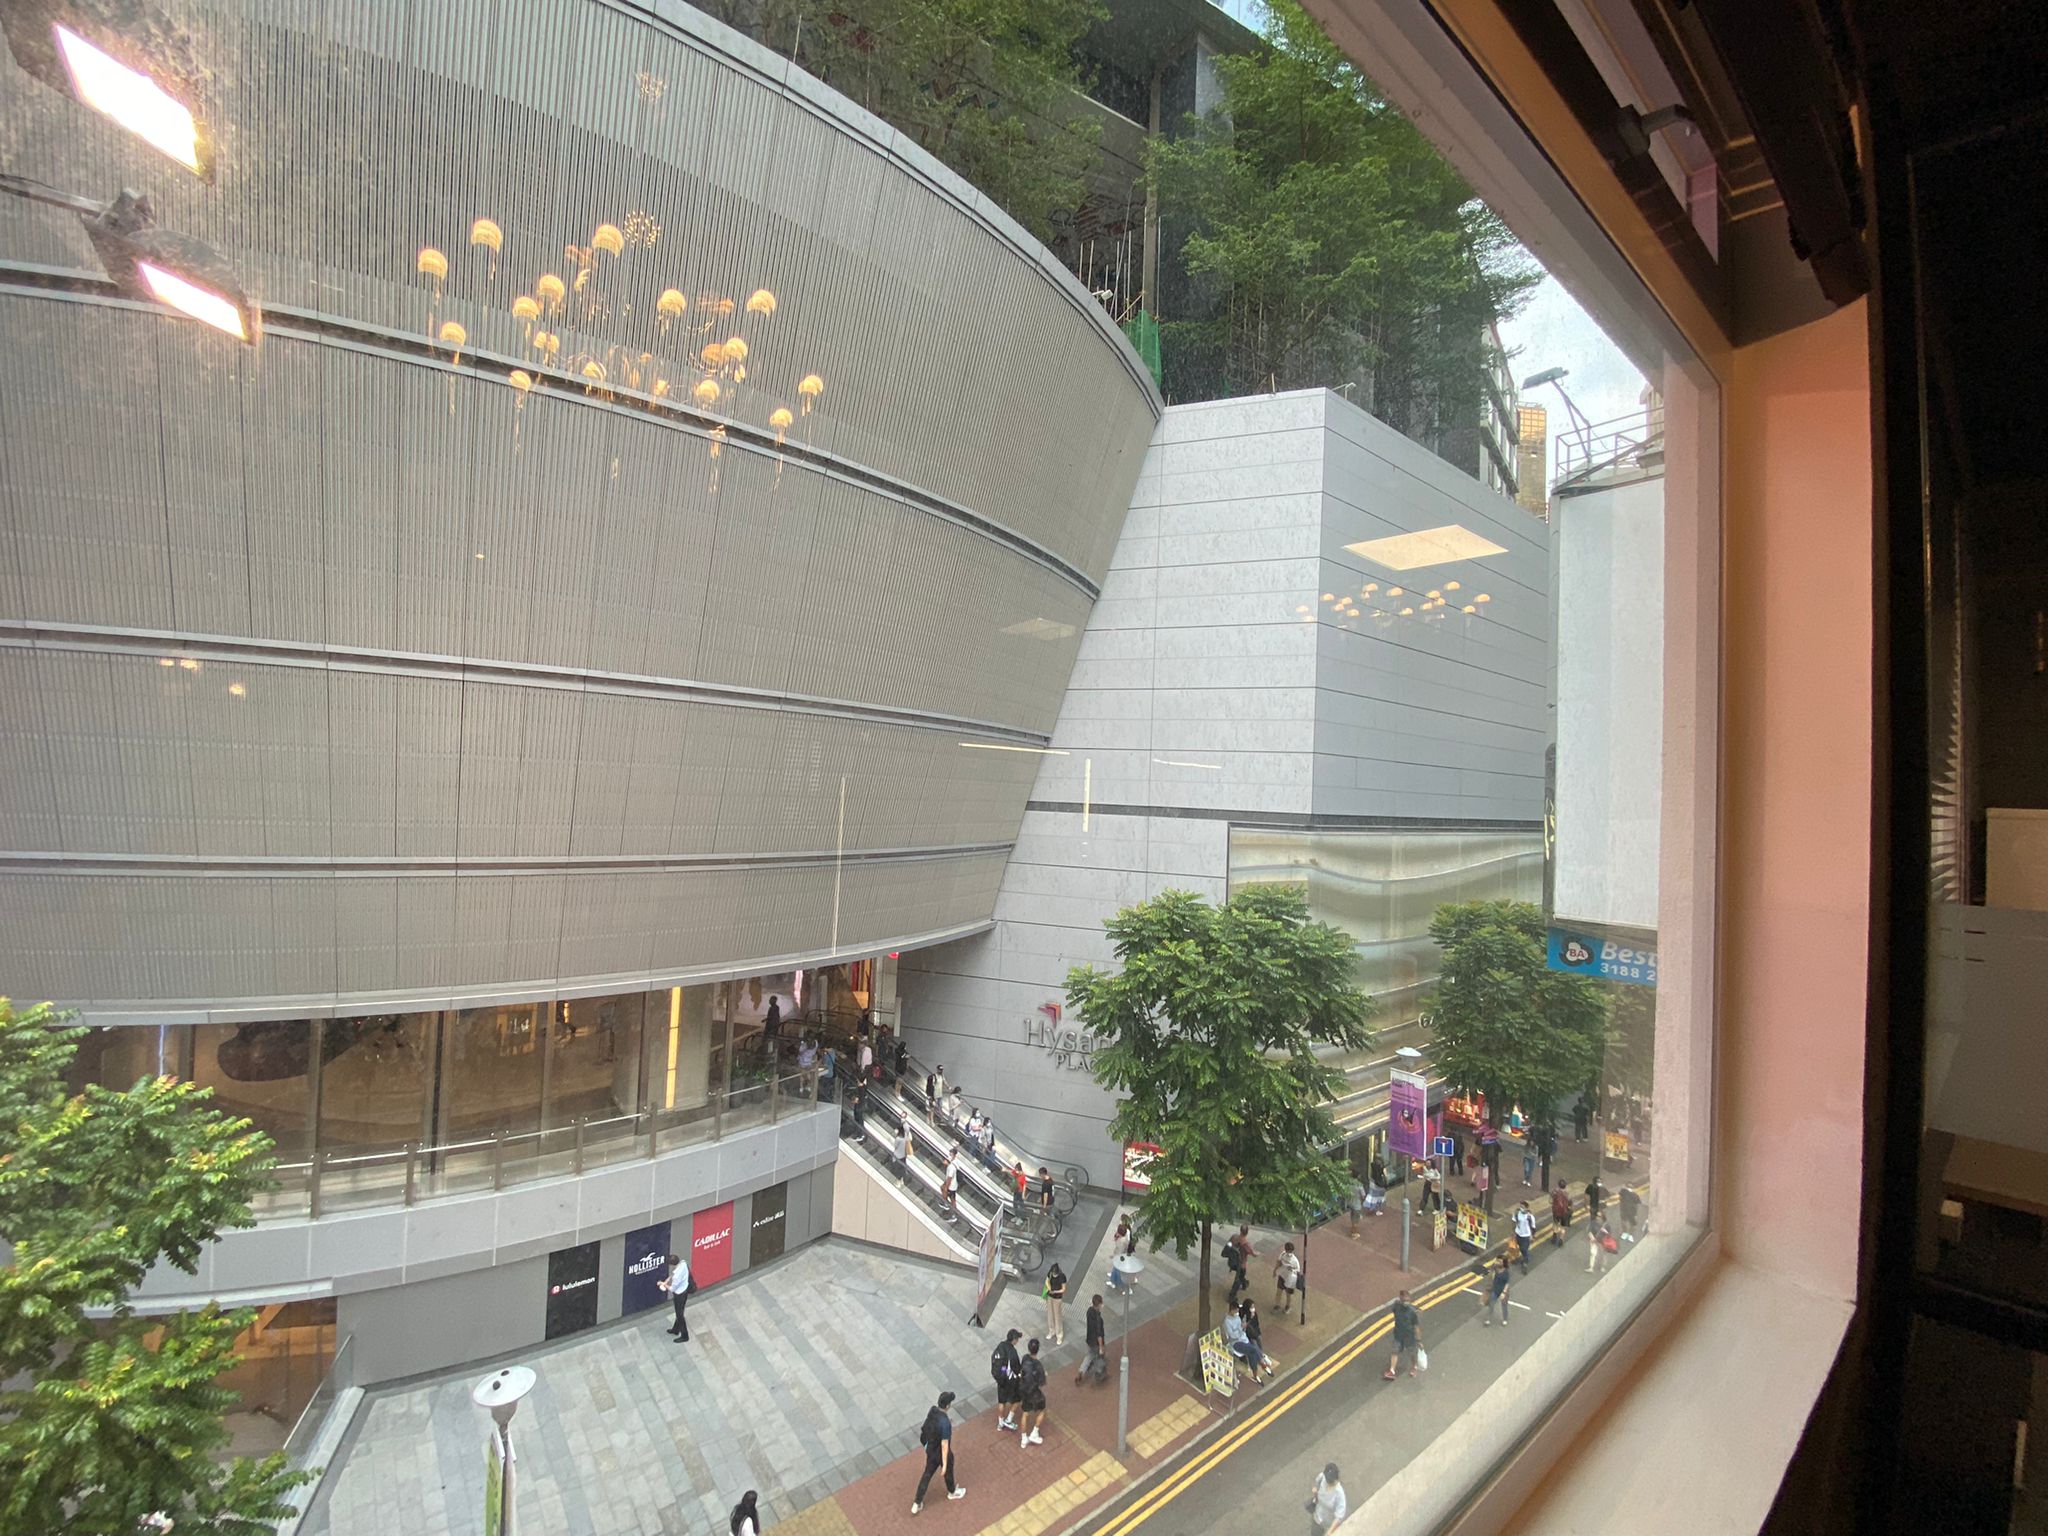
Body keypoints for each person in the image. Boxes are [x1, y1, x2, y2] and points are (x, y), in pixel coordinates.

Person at [911, 1390, 966, 1514]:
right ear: (947, 1406)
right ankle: (952, 1492)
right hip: (940, 1452)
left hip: (931, 1450)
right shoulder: (945, 1424)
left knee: (927, 1474)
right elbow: (944, 1445)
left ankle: (917, 1502)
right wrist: (945, 1465)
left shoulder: (933, 1411)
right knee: (948, 1472)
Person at [1224, 1303, 1273, 1380]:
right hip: (1236, 1343)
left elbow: (1241, 1328)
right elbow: (1232, 1335)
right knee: (1254, 1349)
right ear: (1232, 1310)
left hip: (1243, 1339)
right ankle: (1263, 1365)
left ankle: (1255, 1374)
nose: (1237, 1313)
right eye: (1236, 1311)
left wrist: (1243, 1328)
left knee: (1252, 1353)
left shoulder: (1237, 1318)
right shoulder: (1227, 1322)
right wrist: (1241, 1329)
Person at [1016, 1338, 1048, 1447]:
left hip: (1024, 1391)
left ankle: (1024, 1439)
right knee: (1042, 1411)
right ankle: (1034, 1432)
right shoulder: (1038, 1365)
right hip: (1034, 1392)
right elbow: (1042, 1382)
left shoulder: (1025, 1358)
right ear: (1038, 1350)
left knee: (1025, 1414)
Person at [1384, 1288, 1422, 1379]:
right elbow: (1394, 1308)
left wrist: (1419, 1340)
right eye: (1404, 1300)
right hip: (1398, 1335)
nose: (1406, 1302)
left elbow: (1416, 1327)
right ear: (1400, 1299)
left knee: (1412, 1353)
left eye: (1408, 1300)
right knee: (1394, 1351)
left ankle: (1414, 1366)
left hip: (1409, 1336)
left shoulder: (1412, 1312)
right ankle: (1392, 1371)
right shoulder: (1396, 1307)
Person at [991, 1329, 1023, 1431]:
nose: (1017, 1341)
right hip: (1010, 1381)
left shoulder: (1001, 1346)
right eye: (1017, 1339)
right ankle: (1009, 1419)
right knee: (1017, 1400)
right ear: (1014, 1340)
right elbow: (1017, 1368)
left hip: (1001, 1380)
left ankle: (1000, 1424)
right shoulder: (1012, 1352)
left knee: (1002, 1402)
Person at [1076, 1294, 1109, 1386]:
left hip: (1089, 1339)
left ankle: (1081, 1370)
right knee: (1099, 1358)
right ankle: (1099, 1374)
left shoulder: (1089, 1311)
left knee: (1089, 1356)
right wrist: (1101, 1347)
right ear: (1099, 1305)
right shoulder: (1099, 1319)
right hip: (1096, 1343)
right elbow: (1099, 1334)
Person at [659, 1251, 692, 1343]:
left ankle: (685, 1335)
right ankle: (676, 1329)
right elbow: (673, 1274)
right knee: (679, 1312)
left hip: (679, 1295)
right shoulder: (683, 1263)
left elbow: (672, 1289)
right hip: (685, 1290)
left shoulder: (677, 1276)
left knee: (680, 1315)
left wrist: (663, 1284)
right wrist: (667, 1280)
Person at [1308, 1463, 1347, 1536]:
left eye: (1330, 1480)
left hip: (1329, 1526)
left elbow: (1339, 1516)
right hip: (1317, 1518)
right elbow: (1316, 1483)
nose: (1328, 1482)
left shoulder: (1339, 1493)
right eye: (1327, 1479)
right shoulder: (1322, 1477)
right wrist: (1315, 1491)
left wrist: (1330, 1531)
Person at [1242, 1299, 1277, 1379]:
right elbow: (1244, 1328)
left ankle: (1262, 1354)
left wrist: (1257, 1333)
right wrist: (1250, 1319)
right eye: (1251, 1307)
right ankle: (1261, 1359)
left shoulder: (1254, 1314)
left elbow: (1256, 1324)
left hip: (1254, 1331)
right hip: (1248, 1334)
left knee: (1259, 1339)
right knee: (1254, 1343)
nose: (1253, 1308)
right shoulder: (1244, 1316)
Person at [1272, 1240, 1303, 1320]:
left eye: (1290, 1251)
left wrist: (1292, 1269)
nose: (1289, 1253)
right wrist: (1275, 1271)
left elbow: (1298, 1271)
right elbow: (1278, 1262)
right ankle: (1277, 1305)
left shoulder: (1295, 1261)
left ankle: (1288, 1306)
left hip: (1290, 1279)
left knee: (1288, 1294)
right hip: (1282, 1276)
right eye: (1288, 1251)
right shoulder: (1282, 1254)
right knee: (1279, 1291)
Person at [1482, 1253, 1513, 1325]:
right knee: (1491, 1304)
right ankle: (1488, 1319)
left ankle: (1505, 1319)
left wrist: (1504, 1293)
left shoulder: (1506, 1272)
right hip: (1495, 1290)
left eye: (1499, 1261)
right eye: (1497, 1260)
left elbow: (1507, 1283)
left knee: (1504, 1305)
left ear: (1503, 1263)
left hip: (1503, 1290)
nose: (1497, 1262)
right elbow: (1491, 1272)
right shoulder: (1495, 1267)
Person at [1043, 1262, 1067, 1345]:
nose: (1053, 1274)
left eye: (1054, 1273)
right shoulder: (1050, 1273)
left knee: (1057, 1316)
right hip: (1050, 1296)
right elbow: (1046, 1281)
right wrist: (1049, 1289)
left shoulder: (1062, 1276)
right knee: (1050, 1314)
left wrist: (1055, 1291)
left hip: (1057, 1298)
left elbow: (1063, 1289)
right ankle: (1051, 1330)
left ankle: (1059, 1335)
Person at [1512, 1201, 1536, 1271]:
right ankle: (1517, 1258)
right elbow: (1513, 1222)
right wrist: (1513, 1232)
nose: (1521, 1208)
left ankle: (1525, 1263)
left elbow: (1533, 1227)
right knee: (1516, 1248)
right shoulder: (1517, 1213)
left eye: (1523, 1207)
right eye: (1520, 1206)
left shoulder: (1530, 1217)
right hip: (1518, 1234)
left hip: (1526, 1236)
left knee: (1524, 1249)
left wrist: (1532, 1236)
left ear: (1527, 1208)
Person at [1551, 1182, 1572, 1247]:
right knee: (1563, 1227)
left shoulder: (1555, 1192)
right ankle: (1561, 1240)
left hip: (1556, 1212)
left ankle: (1554, 1235)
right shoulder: (1567, 1194)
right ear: (1565, 1186)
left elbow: (1550, 1201)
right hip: (1564, 1213)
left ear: (1558, 1185)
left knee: (1555, 1223)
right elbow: (1570, 1204)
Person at [939, 1157, 959, 1224]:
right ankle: (946, 1203)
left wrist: (946, 1188)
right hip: (951, 1185)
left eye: (944, 1160)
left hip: (952, 1187)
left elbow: (949, 1179)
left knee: (953, 1200)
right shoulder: (950, 1166)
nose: (943, 1162)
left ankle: (953, 1215)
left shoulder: (951, 1168)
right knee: (942, 1188)